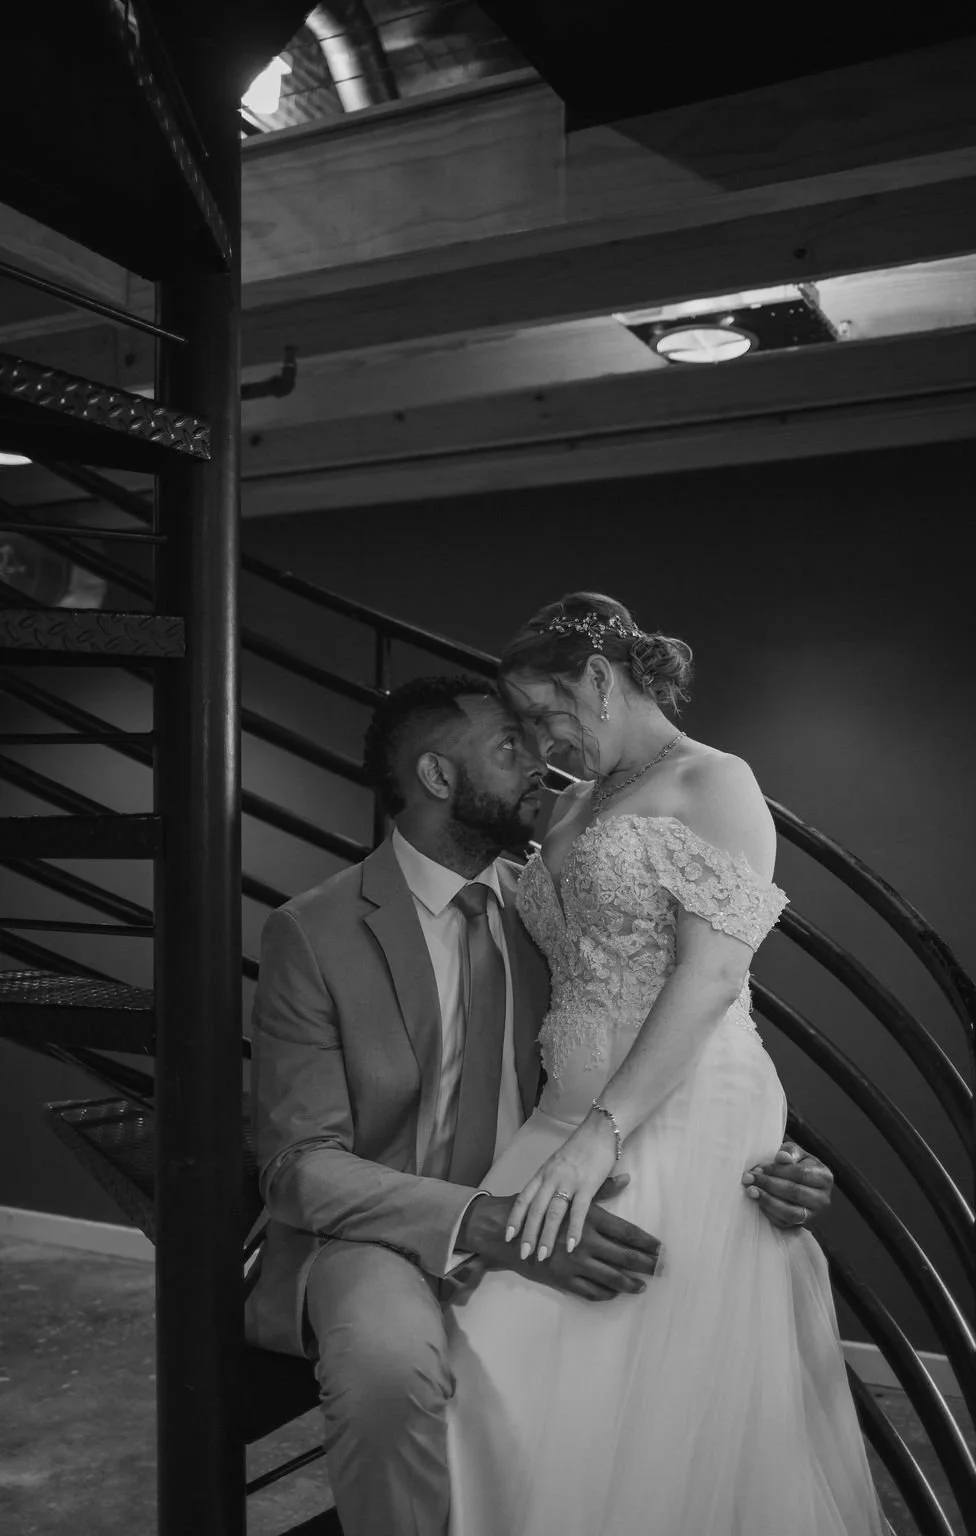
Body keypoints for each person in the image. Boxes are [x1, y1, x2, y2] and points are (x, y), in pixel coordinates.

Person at [245, 672, 838, 1536]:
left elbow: (644, 1029)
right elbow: (300, 1169)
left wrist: (760, 1160)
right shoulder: (313, 930)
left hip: (542, 1189)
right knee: (387, 1373)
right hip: (380, 1225)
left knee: (662, 1367)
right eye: (509, 745)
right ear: (441, 778)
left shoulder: (545, 899)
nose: (543, 758)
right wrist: (486, 1222)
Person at [444, 593, 889, 1536]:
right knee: (481, 1362)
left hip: (676, 1110)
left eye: (545, 712)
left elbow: (716, 973)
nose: (539, 738)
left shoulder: (714, 783)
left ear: (599, 681)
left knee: (600, 1372)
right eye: (522, 724)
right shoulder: (572, 798)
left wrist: (602, 1132)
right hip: (561, 1112)